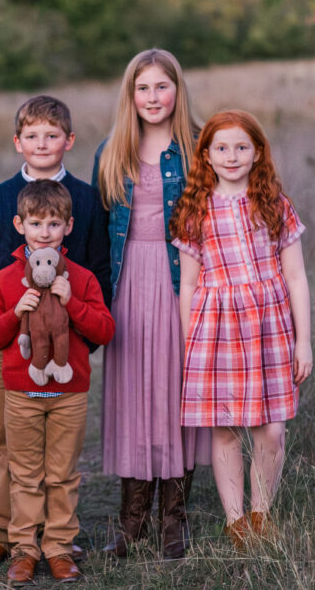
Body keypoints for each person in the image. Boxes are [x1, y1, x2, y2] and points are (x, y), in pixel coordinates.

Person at [0, 96, 111, 574]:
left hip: (65, 344)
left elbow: (100, 270)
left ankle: (55, 538)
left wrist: (88, 340)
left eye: (52, 135)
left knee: (57, 451)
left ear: (69, 141)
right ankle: (2, 534)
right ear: (17, 142)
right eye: (33, 135)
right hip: (5, 343)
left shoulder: (85, 201)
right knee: (2, 439)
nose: (42, 144)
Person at [170, 109, 312, 549]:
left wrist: (303, 340)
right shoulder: (194, 210)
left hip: (269, 325)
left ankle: (260, 513)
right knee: (225, 428)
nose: (232, 156)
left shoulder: (274, 204)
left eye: (242, 147)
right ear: (207, 156)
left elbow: (295, 277)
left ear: (257, 153)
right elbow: (189, 284)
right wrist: (187, 343)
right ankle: (235, 523)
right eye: (222, 148)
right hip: (216, 328)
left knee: (272, 429)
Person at [92, 48, 210, 558]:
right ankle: (131, 522)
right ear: (130, 95)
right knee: (133, 395)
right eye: (143, 88)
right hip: (127, 285)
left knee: (174, 393)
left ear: (177, 91)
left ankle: (173, 522)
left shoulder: (199, 146)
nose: (153, 97)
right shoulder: (112, 149)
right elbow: (96, 233)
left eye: (162, 86)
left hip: (180, 281)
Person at [0, 180, 114, 584]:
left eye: (54, 224)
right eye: (36, 223)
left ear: (68, 227)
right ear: (20, 225)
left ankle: (58, 547)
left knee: (62, 475)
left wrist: (71, 301)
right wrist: (14, 311)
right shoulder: (5, 280)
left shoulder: (83, 277)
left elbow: (105, 330)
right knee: (25, 474)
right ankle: (24, 548)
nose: (45, 232)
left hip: (69, 396)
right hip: (22, 394)